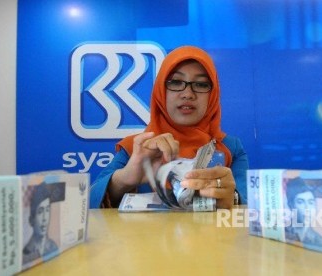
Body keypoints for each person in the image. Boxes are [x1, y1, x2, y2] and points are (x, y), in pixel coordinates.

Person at [90, 45, 248, 209]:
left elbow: (248, 203)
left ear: (213, 95)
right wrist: (124, 178)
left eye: (201, 84)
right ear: (160, 91)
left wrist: (233, 197)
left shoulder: (230, 148)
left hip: (214, 235)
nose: (188, 94)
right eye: (176, 82)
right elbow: (87, 202)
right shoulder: (138, 148)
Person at [285, 177, 322, 249]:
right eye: (300, 202)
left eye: (311, 203)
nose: (307, 208)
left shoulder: (319, 242)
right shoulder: (283, 232)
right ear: (291, 205)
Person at [23, 183, 59, 264]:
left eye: (47, 210)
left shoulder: (53, 247)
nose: (44, 218)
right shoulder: (26, 254)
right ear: (31, 220)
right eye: (40, 211)